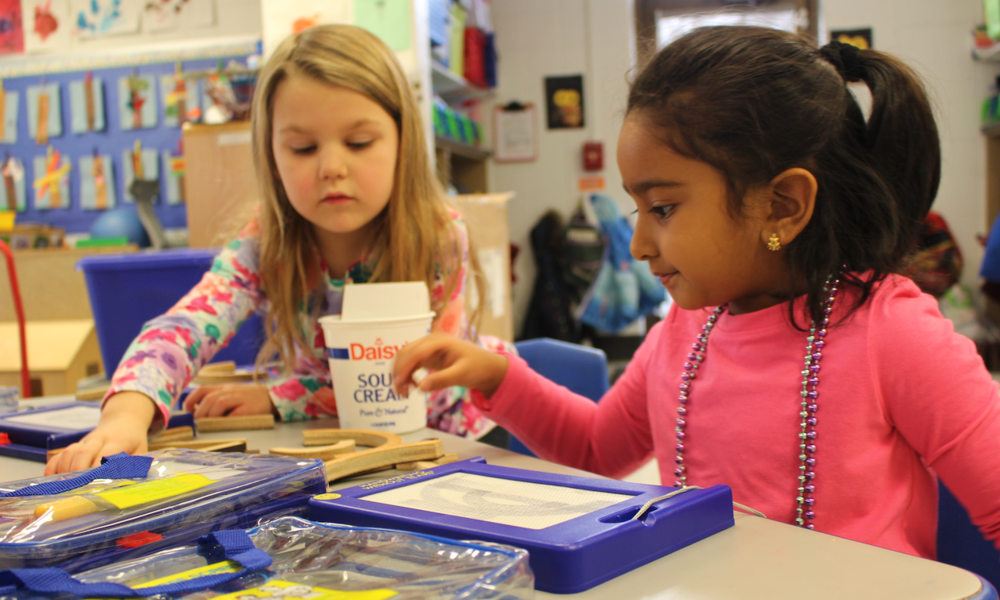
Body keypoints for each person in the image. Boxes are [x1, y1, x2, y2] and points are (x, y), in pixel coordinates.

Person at [393, 26, 1000, 559]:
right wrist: (499, 377)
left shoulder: (891, 333)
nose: (636, 244)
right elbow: (596, 448)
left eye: (663, 207)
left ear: (782, 206)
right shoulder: (683, 333)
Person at [47, 24, 511, 475]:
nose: (331, 167)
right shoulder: (266, 241)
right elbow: (185, 326)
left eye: (359, 142)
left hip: (454, 442)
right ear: (272, 155)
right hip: (341, 447)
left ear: (403, 142)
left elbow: (411, 385)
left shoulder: (437, 234)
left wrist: (281, 397)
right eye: (303, 147)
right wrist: (127, 411)